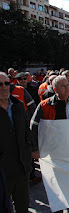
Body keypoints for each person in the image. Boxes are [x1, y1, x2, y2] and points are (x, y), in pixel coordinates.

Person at [30, 76, 69, 212]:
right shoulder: (45, 105)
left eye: (68, 85)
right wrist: (35, 149)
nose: (67, 88)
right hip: (54, 149)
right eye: (63, 86)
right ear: (55, 89)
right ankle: (59, 205)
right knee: (57, 179)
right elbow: (33, 126)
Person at [0, 72, 32, 213]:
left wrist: (30, 150)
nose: (4, 87)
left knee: (22, 207)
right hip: (2, 171)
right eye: (0, 84)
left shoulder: (18, 105)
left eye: (7, 83)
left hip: (21, 168)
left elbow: (27, 130)